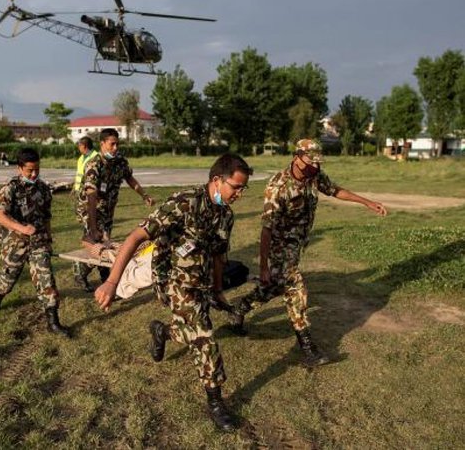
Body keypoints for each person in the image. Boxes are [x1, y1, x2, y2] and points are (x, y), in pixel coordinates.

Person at [94, 153, 252, 432]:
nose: (239, 193)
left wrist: (217, 289)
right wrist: (112, 282)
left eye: (243, 188)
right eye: (236, 187)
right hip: (172, 280)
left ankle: (162, 331)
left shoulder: (225, 215)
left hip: (200, 281)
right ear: (217, 180)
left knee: (189, 331)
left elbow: (217, 255)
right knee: (204, 336)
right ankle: (215, 401)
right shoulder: (183, 203)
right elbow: (135, 237)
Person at [229, 139, 387, 368]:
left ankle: (238, 309)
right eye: (311, 162)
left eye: (318, 163)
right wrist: (263, 265)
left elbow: (334, 190)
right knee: (296, 289)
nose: (316, 167)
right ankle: (308, 347)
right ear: (297, 158)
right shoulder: (279, 187)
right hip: (278, 246)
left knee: (273, 286)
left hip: (296, 244)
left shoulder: (314, 175)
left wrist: (367, 202)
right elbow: (267, 229)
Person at [0, 148, 70, 336]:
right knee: (8, 277)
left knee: (46, 277)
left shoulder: (43, 188)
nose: (34, 174)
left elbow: (46, 216)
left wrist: (48, 238)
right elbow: (0, 216)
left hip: (38, 242)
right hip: (15, 242)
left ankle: (53, 322)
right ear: (20, 169)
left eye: (37, 170)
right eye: (29, 171)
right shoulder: (11, 188)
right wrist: (22, 228)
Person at [74, 128, 154, 292]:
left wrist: (144, 195)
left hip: (108, 210)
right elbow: (91, 196)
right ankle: (82, 273)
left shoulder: (120, 162)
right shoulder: (94, 164)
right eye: (112, 144)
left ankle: (102, 274)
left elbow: (130, 179)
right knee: (98, 242)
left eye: (117, 144)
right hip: (90, 210)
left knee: (105, 243)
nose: (115, 148)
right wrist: (93, 225)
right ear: (102, 144)